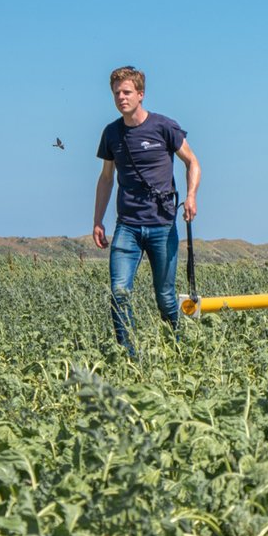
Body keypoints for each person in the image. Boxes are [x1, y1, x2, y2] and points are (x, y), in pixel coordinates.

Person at [93, 66, 201, 355]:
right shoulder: (111, 133)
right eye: (116, 93)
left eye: (127, 92)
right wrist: (98, 221)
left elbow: (192, 162)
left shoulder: (164, 127)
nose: (121, 97)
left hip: (162, 226)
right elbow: (106, 178)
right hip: (127, 226)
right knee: (119, 292)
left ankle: (179, 351)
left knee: (165, 298)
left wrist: (191, 197)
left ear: (140, 94)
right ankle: (129, 358)